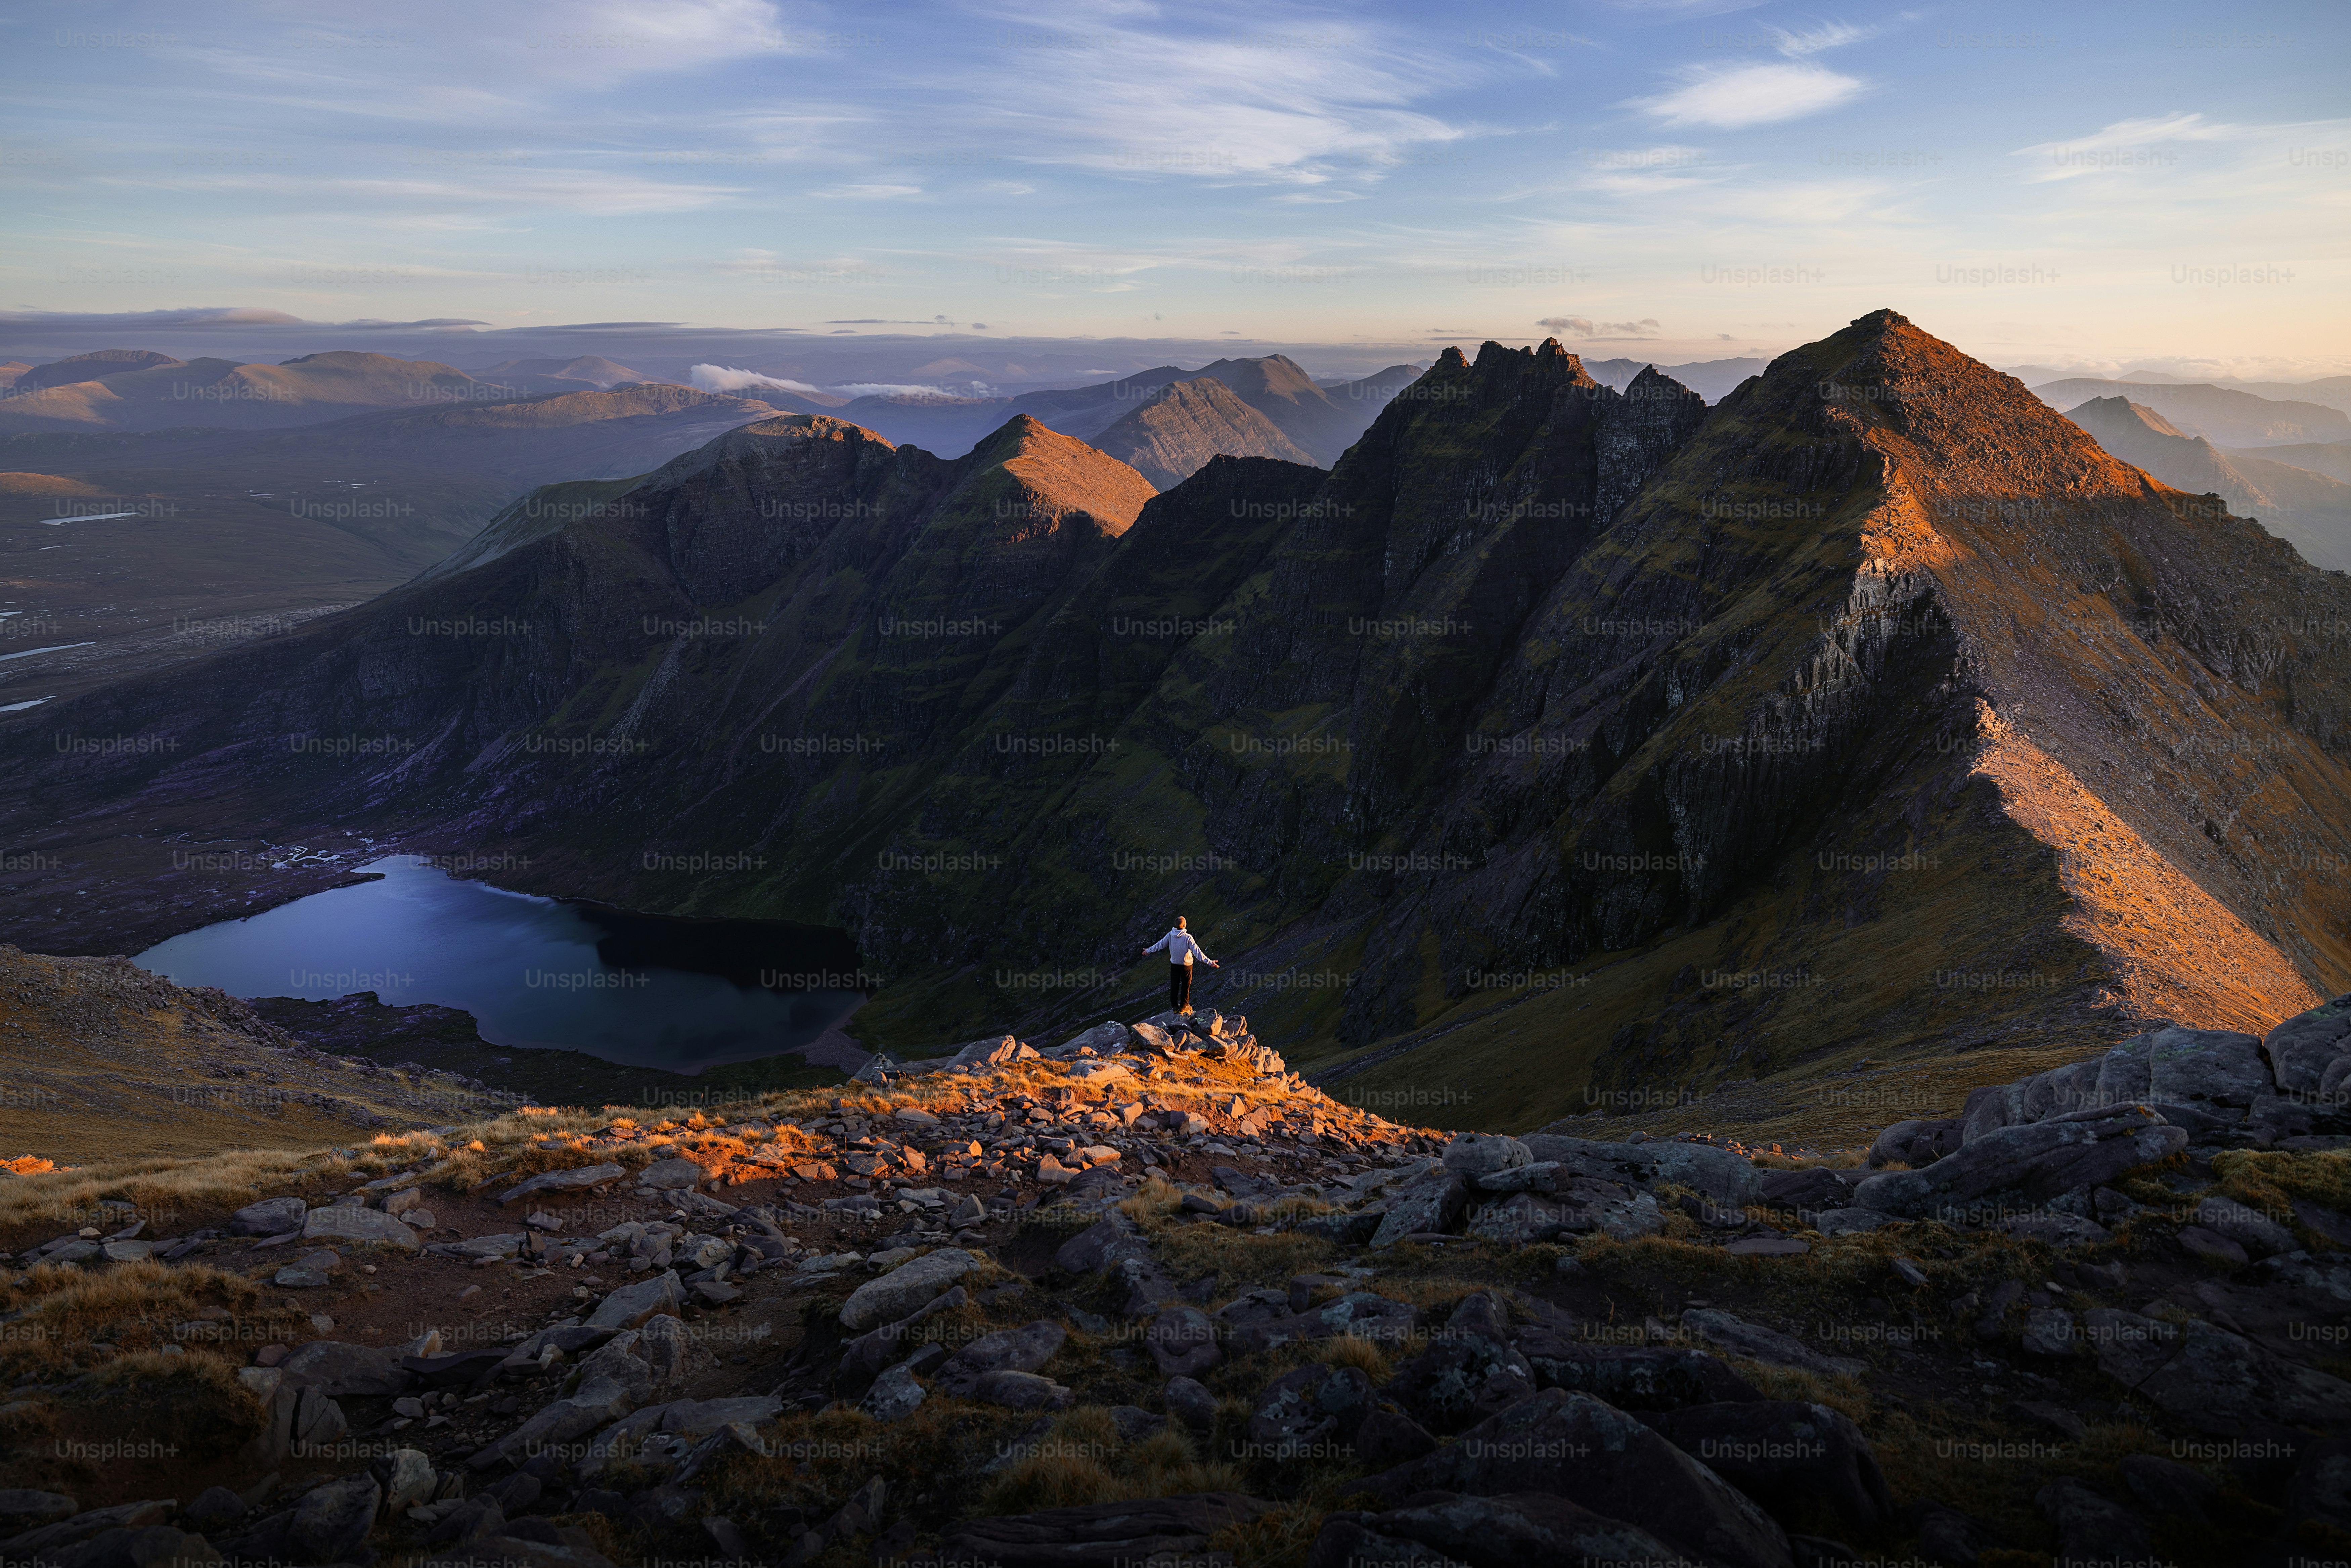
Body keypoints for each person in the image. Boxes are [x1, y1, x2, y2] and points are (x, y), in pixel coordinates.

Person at [1143, 915, 1217, 1015]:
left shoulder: (1170, 935)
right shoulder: (1188, 938)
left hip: (1175, 965)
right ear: (1184, 925)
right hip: (1186, 966)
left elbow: (1160, 944)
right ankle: (1184, 1006)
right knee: (1186, 986)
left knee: (1175, 986)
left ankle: (1175, 1006)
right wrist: (1209, 962)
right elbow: (1197, 952)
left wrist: (1149, 950)